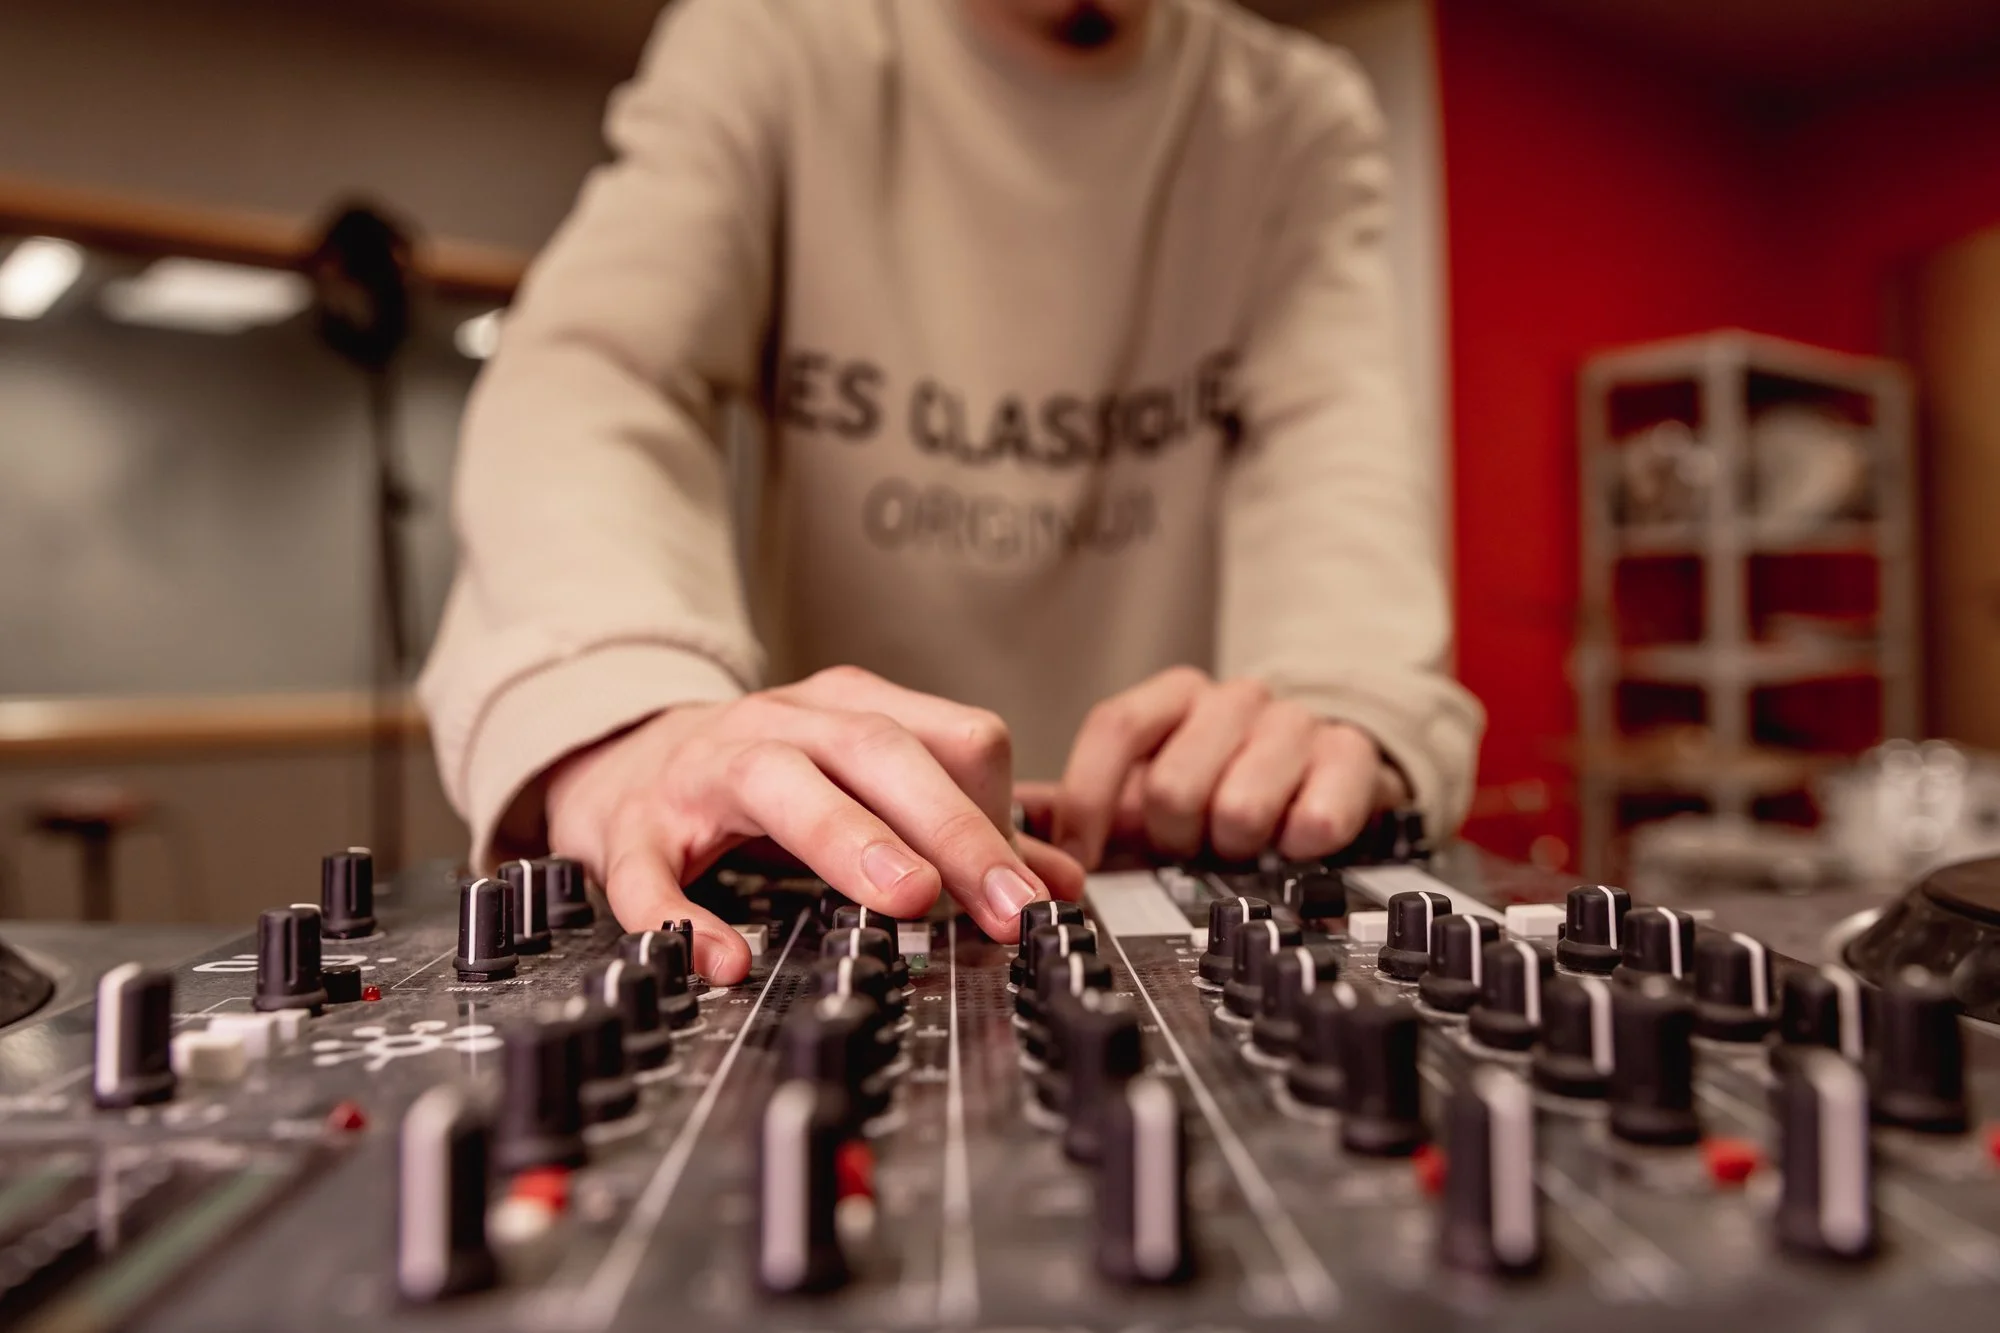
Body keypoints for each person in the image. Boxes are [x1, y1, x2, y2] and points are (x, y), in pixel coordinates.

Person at [417, 0, 1483, 984]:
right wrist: (626, 710)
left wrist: (1344, 714)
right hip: (831, 883)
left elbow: (1337, 464)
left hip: (1186, 867)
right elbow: (596, 372)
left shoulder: (1296, 115)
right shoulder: (769, 38)